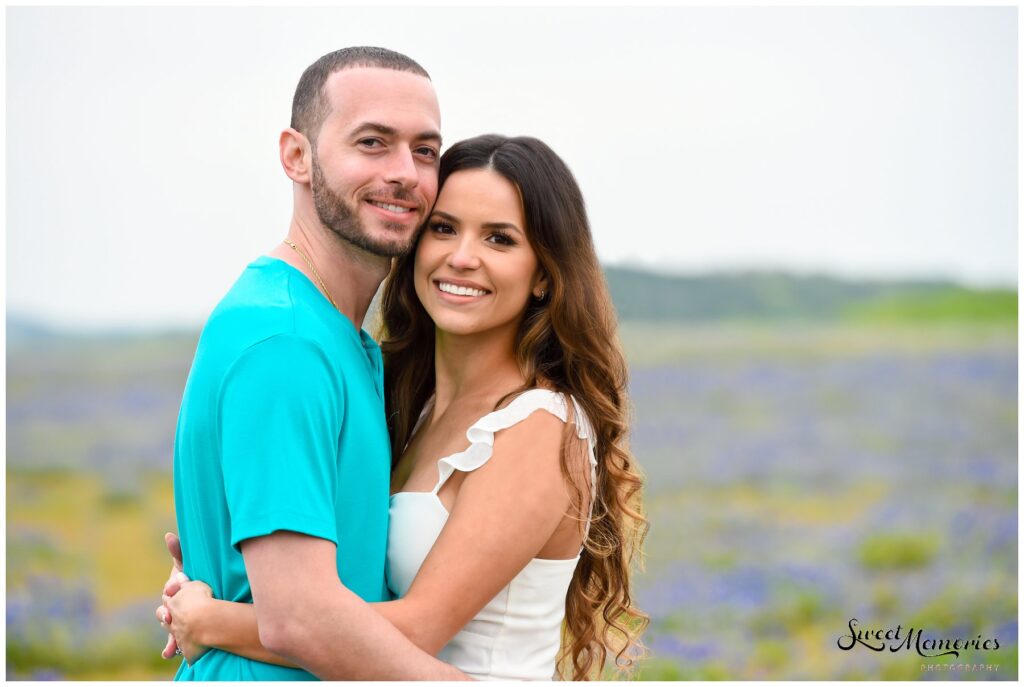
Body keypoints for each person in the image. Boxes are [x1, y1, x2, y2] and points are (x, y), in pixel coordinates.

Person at [159, 134, 649, 680]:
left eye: (500, 239)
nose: (462, 258)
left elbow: (416, 629)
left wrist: (210, 620)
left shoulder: (538, 426)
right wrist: (226, 574)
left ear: (542, 274)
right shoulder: (405, 405)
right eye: (444, 228)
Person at [163, 45, 469, 680]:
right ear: (296, 156)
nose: (406, 173)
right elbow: (298, 617)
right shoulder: (286, 339)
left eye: (425, 150)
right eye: (373, 143)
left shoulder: (330, 331)